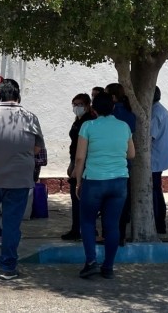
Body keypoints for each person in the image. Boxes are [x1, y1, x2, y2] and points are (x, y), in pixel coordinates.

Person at [0, 79, 44, 280]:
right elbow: (37, 149)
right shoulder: (30, 118)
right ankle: (7, 267)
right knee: (12, 223)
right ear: (18, 96)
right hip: (18, 179)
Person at [72, 91, 135, 280]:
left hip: (94, 181)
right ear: (113, 107)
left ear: (93, 109)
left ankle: (91, 262)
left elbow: (80, 157)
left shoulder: (88, 126)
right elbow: (131, 154)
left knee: (88, 222)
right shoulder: (124, 126)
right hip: (119, 181)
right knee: (112, 225)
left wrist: (77, 182)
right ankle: (108, 267)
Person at [62, 93, 97, 241]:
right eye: (74, 104)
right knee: (78, 199)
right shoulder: (79, 120)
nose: (77, 108)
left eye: (80, 105)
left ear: (88, 105)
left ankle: (81, 229)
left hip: (82, 163)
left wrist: (77, 168)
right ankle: (78, 228)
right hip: (75, 160)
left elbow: (84, 148)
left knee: (79, 198)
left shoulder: (89, 121)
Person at [105, 82, 136, 245]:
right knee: (122, 205)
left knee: (108, 206)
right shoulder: (130, 114)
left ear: (113, 97)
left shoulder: (112, 114)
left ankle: (109, 236)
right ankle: (120, 236)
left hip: (107, 166)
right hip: (124, 167)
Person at [151, 86, 168, 234]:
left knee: (154, 192)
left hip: (153, 159)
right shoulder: (161, 110)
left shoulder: (154, 113)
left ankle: (159, 224)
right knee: (156, 190)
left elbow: (148, 137)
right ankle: (160, 224)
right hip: (158, 158)